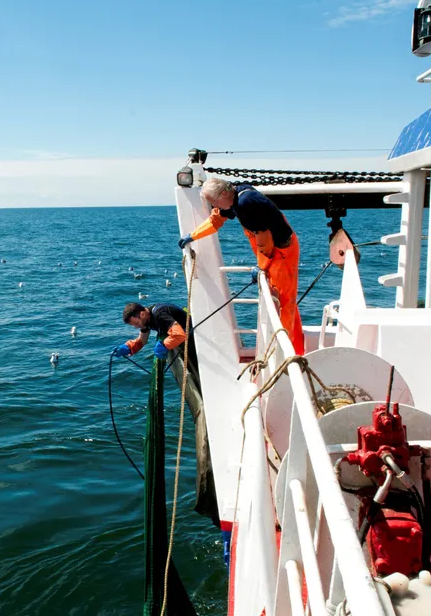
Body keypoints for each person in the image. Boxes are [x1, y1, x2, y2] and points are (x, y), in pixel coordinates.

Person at [112, 302, 218, 526]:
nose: (137, 327)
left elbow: (178, 334)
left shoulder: (160, 313)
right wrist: (128, 348)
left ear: (142, 313)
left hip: (198, 348)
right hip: (187, 346)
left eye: (136, 323)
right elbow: (142, 341)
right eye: (133, 326)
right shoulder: (149, 321)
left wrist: (164, 346)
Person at [179, 177, 305, 354]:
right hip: (272, 252)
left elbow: (264, 239)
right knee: (284, 299)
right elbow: (216, 220)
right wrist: (193, 236)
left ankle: (289, 353)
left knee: (284, 302)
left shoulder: (247, 204)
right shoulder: (233, 198)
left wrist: (262, 267)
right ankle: (296, 347)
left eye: (214, 202)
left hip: (282, 253)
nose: (214, 206)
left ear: (223, 194)